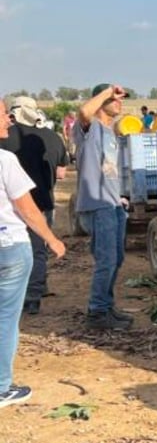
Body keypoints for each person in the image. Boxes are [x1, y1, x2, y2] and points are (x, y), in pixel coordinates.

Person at [0, 98, 66, 408]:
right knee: (6, 319)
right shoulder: (5, 161)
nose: (8, 121)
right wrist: (51, 239)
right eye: (3, 115)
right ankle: (2, 387)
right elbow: (26, 209)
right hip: (10, 246)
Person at [1, 96, 69, 315]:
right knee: (38, 250)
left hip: (11, 206)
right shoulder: (53, 137)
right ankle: (35, 294)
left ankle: (18, 295)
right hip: (43, 201)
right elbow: (61, 172)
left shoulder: (5, 139)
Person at [74, 83, 134, 330]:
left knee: (116, 258)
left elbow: (107, 171)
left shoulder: (112, 134)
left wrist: (118, 196)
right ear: (100, 101)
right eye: (114, 99)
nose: (119, 102)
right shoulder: (90, 129)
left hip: (112, 203)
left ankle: (106, 306)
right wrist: (107, 91)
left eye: (120, 98)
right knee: (106, 259)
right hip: (97, 205)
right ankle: (97, 313)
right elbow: (84, 113)